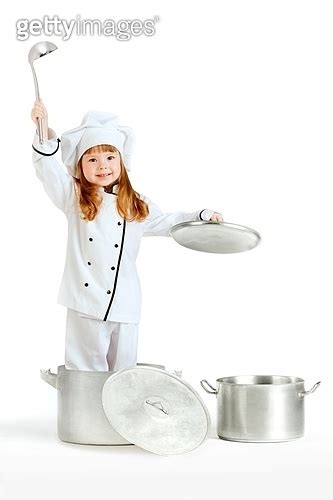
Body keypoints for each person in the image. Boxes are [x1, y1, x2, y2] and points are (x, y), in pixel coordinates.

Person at [31, 99, 223, 372]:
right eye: (93, 159)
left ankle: (119, 416)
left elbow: (169, 222)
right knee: (85, 372)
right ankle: (84, 415)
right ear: (79, 165)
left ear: (121, 161)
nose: (103, 166)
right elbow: (47, 170)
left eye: (110, 157)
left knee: (124, 375)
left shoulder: (136, 204)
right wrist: (43, 128)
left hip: (125, 303)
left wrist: (201, 216)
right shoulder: (73, 197)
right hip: (85, 302)